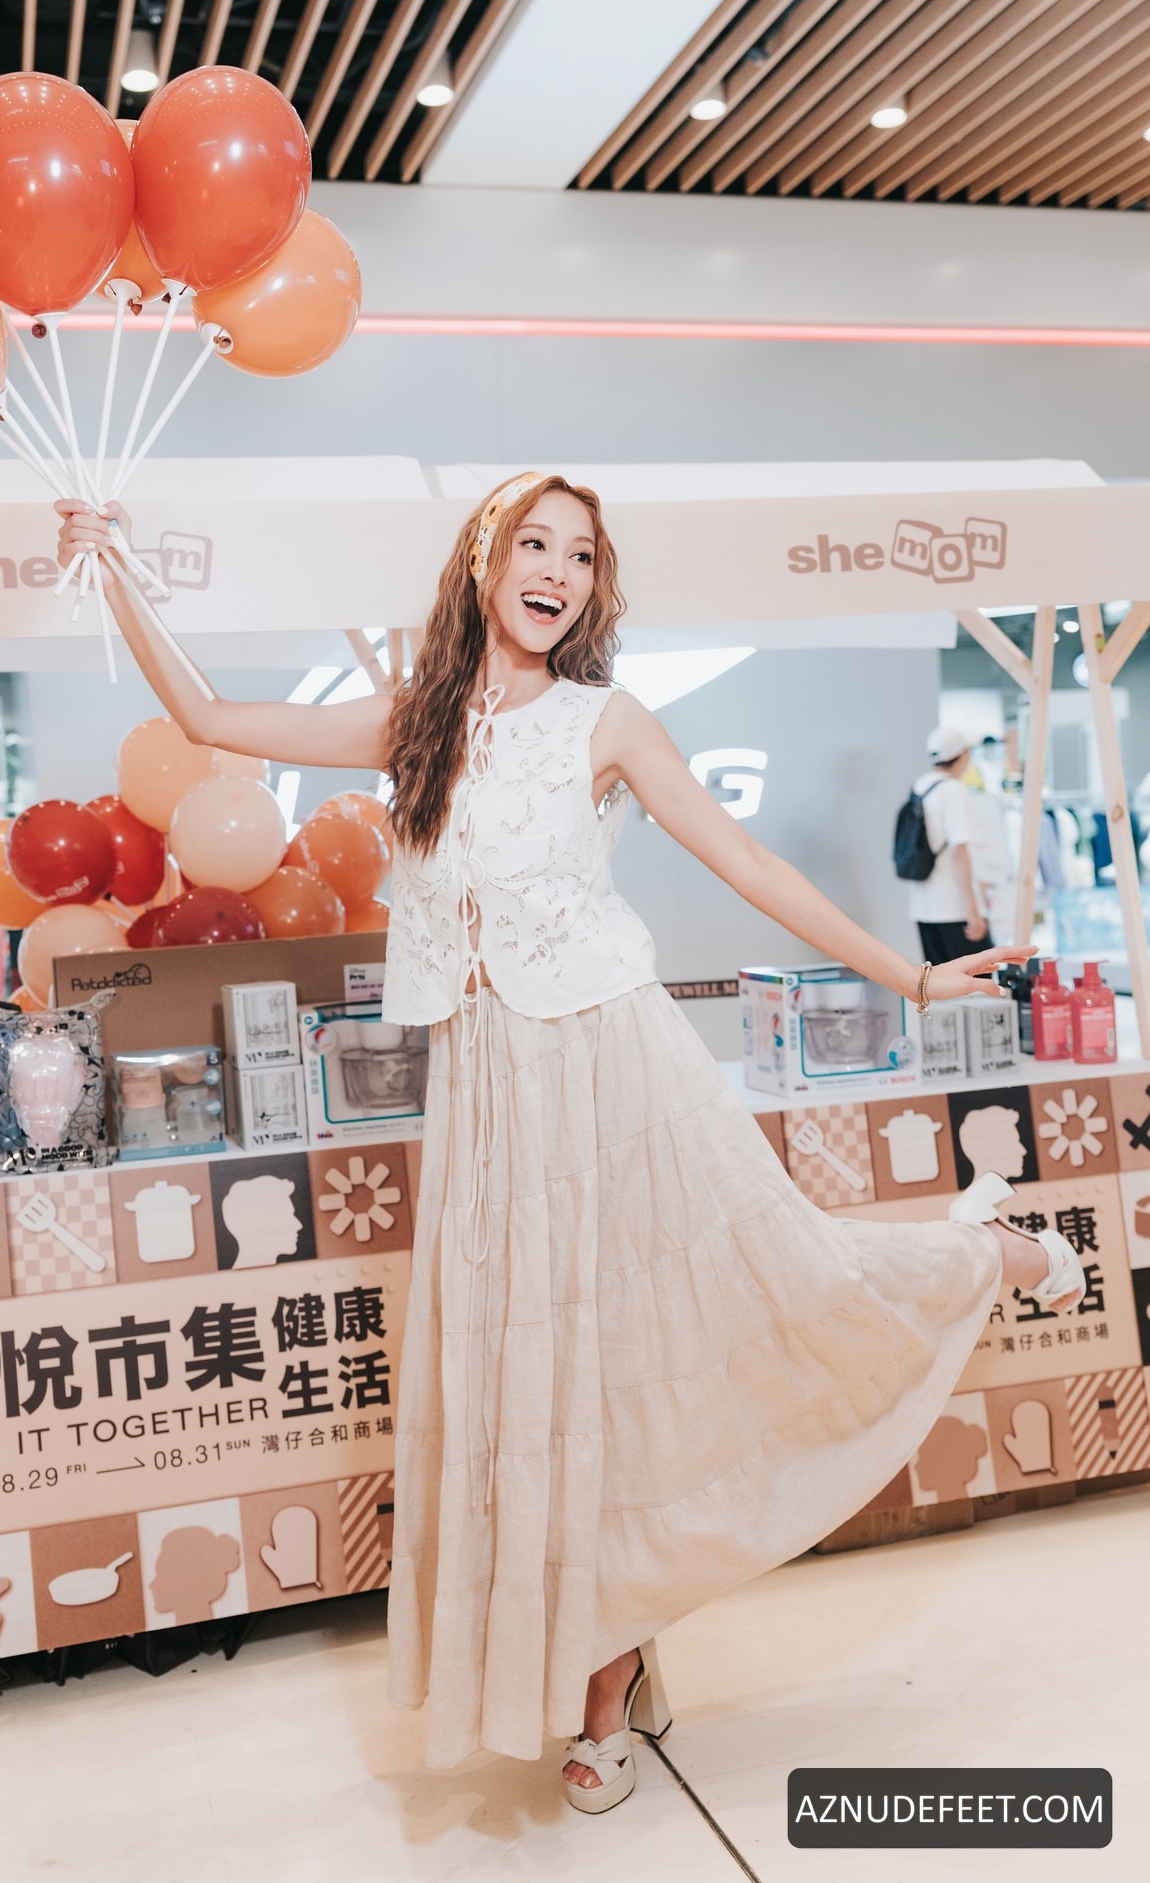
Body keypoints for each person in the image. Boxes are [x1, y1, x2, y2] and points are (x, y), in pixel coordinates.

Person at [56, 473, 1086, 1814]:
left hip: (611, 1062)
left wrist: (913, 974)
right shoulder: (415, 725)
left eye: (582, 556)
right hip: (487, 1090)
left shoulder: (608, 720)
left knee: (739, 1303)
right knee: (538, 1385)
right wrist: (112, 569)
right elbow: (205, 718)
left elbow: (751, 867)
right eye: (535, 544)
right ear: (483, 563)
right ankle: (612, 1666)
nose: (557, 571)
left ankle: (994, 1254)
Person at [906, 726, 988, 965]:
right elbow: (958, 851)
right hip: (953, 908)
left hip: (922, 906)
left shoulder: (920, 786)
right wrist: (973, 910)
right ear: (962, 756)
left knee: (939, 980)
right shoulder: (954, 790)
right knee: (977, 978)